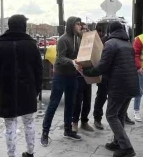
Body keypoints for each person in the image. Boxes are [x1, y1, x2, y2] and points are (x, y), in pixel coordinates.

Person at [0, 14, 43, 157]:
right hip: (28, 89)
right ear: (22, 26)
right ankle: (30, 154)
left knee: (10, 125)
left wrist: (3, 75)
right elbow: (39, 69)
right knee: (29, 122)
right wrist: (36, 89)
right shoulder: (32, 45)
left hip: (8, 89)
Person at [75, 21, 139, 157]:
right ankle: (117, 142)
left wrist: (87, 71)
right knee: (120, 114)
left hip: (119, 85)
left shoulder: (110, 44)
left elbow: (102, 67)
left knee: (111, 115)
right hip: (131, 84)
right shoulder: (128, 44)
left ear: (110, 31)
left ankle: (126, 147)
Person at [41, 16, 82, 145]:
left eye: (80, 24)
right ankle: (45, 132)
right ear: (71, 25)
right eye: (77, 24)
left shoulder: (77, 38)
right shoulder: (63, 39)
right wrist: (72, 62)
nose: (80, 26)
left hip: (72, 75)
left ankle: (68, 130)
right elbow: (60, 59)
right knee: (53, 104)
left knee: (71, 103)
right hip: (60, 76)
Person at [72, 22, 94, 133]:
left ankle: (84, 121)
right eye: (82, 28)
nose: (84, 30)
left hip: (88, 74)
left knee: (87, 99)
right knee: (78, 100)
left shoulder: (90, 42)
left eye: (86, 29)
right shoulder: (75, 41)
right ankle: (74, 122)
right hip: (77, 75)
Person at [91, 27, 109, 130]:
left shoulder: (108, 41)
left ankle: (122, 116)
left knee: (116, 98)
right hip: (103, 76)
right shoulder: (102, 41)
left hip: (111, 75)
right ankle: (97, 118)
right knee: (101, 97)